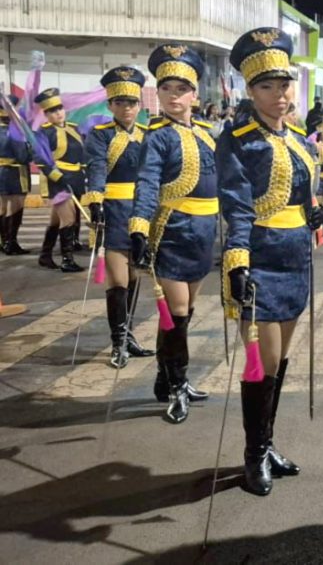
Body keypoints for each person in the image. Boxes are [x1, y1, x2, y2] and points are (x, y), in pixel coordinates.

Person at [218, 26, 323, 496]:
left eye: (284, 85)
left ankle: (267, 443)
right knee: (264, 361)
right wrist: (237, 260)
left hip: (295, 260)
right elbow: (237, 204)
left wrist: (313, 212)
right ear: (249, 89)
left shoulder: (300, 138)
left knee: (280, 365)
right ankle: (252, 455)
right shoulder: (237, 139)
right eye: (267, 86)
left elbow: (302, 193)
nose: (278, 95)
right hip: (258, 260)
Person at [129, 43, 216, 424]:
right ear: (158, 94)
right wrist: (139, 227)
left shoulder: (210, 134)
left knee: (184, 313)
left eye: (182, 89)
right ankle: (176, 385)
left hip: (204, 234)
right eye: (167, 89)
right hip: (173, 232)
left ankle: (166, 379)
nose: (175, 96)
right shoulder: (157, 136)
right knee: (175, 313)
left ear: (194, 94)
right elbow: (147, 183)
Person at [84, 67, 156, 369]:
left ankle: (128, 338)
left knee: (136, 275)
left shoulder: (148, 136)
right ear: (110, 105)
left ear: (139, 105)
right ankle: (118, 342)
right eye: (120, 103)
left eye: (132, 102)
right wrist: (96, 200)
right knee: (118, 280)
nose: (126, 108)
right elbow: (97, 168)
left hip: (142, 210)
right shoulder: (100, 136)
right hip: (113, 211)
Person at [33, 88, 86, 272]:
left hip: (76, 178)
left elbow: (83, 153)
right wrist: (58, 177)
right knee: (68, 219)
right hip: (58, 180)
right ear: (46, 114)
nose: (58, 113)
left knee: (56, 221)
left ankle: (45, 255)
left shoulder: (75, 128)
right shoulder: (43, 133)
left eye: (60, 109)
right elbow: (40, 160)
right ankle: (67, 259)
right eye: (52, 111)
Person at [0, 95, 32, 256]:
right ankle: (11, 242)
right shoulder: (15, 131)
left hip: (1, 173)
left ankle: (3, 241)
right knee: (16, 207)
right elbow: (23, 156)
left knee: (2, 207)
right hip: (15, 173)